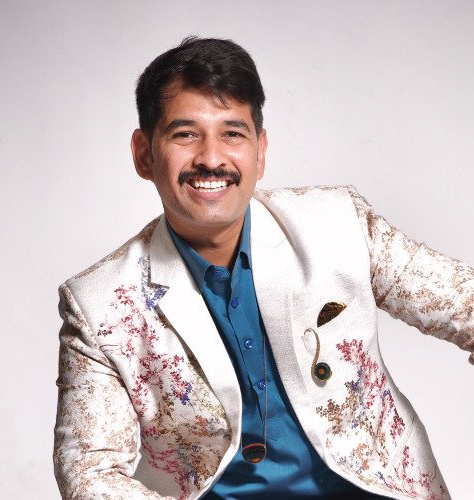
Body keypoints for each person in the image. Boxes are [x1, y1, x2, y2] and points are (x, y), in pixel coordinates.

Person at [53, 37, 473, 499]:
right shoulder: (99, 304)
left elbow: (466, 302)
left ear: (260, 151)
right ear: (144, 154)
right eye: (185, 134)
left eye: (233, 133)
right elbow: (90, 474)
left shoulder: (337, 224)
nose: (211, 158)